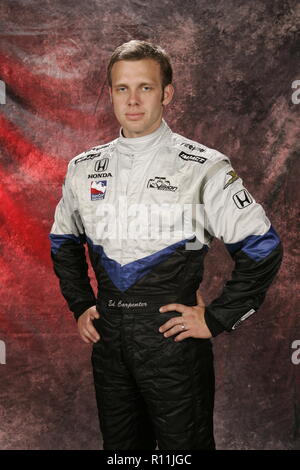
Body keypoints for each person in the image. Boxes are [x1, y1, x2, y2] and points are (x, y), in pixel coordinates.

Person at [49, 40, 283, 450]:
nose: (133, 99)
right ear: (110, 94)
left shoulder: (203, 165)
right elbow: (63, 240)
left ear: (167, 93)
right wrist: (79, 302)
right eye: (122, 88)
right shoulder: (83, 168)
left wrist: (216, 318)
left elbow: (263, 249)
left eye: (146, 87)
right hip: (110, 341)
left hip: (172, 342)